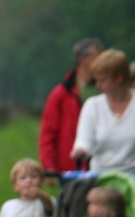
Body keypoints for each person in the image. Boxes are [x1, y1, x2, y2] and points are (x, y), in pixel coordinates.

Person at [71, 49, 135, 174]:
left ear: (119, 78)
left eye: (102, 80)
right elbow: (84, 140)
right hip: (99, 177)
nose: (97, 85)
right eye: (96, 80)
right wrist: (81, 150)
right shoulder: (92, 105)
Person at [38, 37, 103, 173]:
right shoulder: (61, 94)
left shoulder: (106, 91)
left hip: (102, 165)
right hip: (71, 169)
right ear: (82, 59)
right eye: (97, 57)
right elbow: (48, 133)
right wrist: (49, 166)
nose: (103, 61)